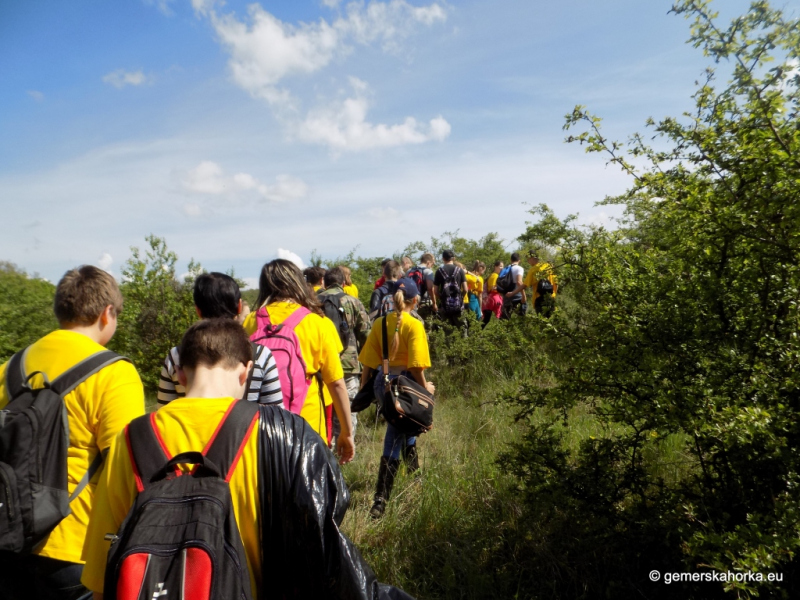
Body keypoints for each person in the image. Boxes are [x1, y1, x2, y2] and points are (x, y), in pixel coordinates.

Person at [80, 319, 412, 599]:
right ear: (247, 372)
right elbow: (323, 547)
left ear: (179, 374)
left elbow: (101, 572)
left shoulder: (131, 438)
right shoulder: (282, 431)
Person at [0, 265, 145, 600]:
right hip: (77, 547)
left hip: (10, 537)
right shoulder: (115, 373)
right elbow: (127, 465)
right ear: (107, 314)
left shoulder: (11, 367)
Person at [243, 259, 355, 462]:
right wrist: (346, 433)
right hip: (307, 428)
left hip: (260, 426)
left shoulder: (251, 321)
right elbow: (336, 383)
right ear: (297, 282)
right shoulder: (317, 322)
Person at [358, 278, 435, 519]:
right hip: (406, 386)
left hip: (383, 384)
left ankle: (415, 476)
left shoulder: (380, 323)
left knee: (404, 426)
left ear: (392, 299)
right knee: (395, 434)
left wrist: (365, 388)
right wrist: (426, 392)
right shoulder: (414, 325)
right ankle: (380, 501)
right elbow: (416, 367)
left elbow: (368, 364)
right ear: (416, 300)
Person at [157, 272, 282, 406]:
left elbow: (164, 412)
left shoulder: (176, 356)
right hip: (247, 420)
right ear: (239, 306)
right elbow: (275, 414)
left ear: (198, 310)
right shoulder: (261, 355)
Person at [318, 267, 371, 440]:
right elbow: (366, 335)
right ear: (343, 283)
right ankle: (346, 448)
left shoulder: (313, 302)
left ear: (324, 282)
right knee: (347, 411)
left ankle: (326, 448)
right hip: (348, 365)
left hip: (320, 366)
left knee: (323, 414)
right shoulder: (353, 301)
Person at [433, 249, 468, 326]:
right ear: (453, 258)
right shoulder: (460, 270)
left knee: (447, 328)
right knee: (461, 328)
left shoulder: (439, 271)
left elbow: (435, 291)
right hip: (458, 305)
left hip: (445, 306)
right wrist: (461, 298)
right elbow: (465, 289)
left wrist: (442, 298)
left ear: (443, 259)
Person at [522, 251, 558, 315]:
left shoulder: (533, 269)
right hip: (551, 298)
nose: (528, 261)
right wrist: (554, 294)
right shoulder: (548, 266)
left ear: (532, 258)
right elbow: (556, 283)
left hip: (539, 299)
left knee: (542, 319)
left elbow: (525, 285)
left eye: (528, 259)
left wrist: (512, 293)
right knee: (552, 318)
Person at [501, 252, 526, 319]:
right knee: (521, 318)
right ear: (519, 260)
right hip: (517, 297)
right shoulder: (519, 268)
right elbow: (519, 282)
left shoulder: (505, 269)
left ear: (511, 260)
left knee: (505, 319)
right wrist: (523, 295)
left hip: (506, 296)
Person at [482, 260, 504, 327]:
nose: (502, 268)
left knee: (486, 318)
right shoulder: (495, 276)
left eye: (502, 266)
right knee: (501, 316)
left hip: (490, 298)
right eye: (500, 266)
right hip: (494, 297)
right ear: (495, 267)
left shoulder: (492, 275)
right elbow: (493, 288)